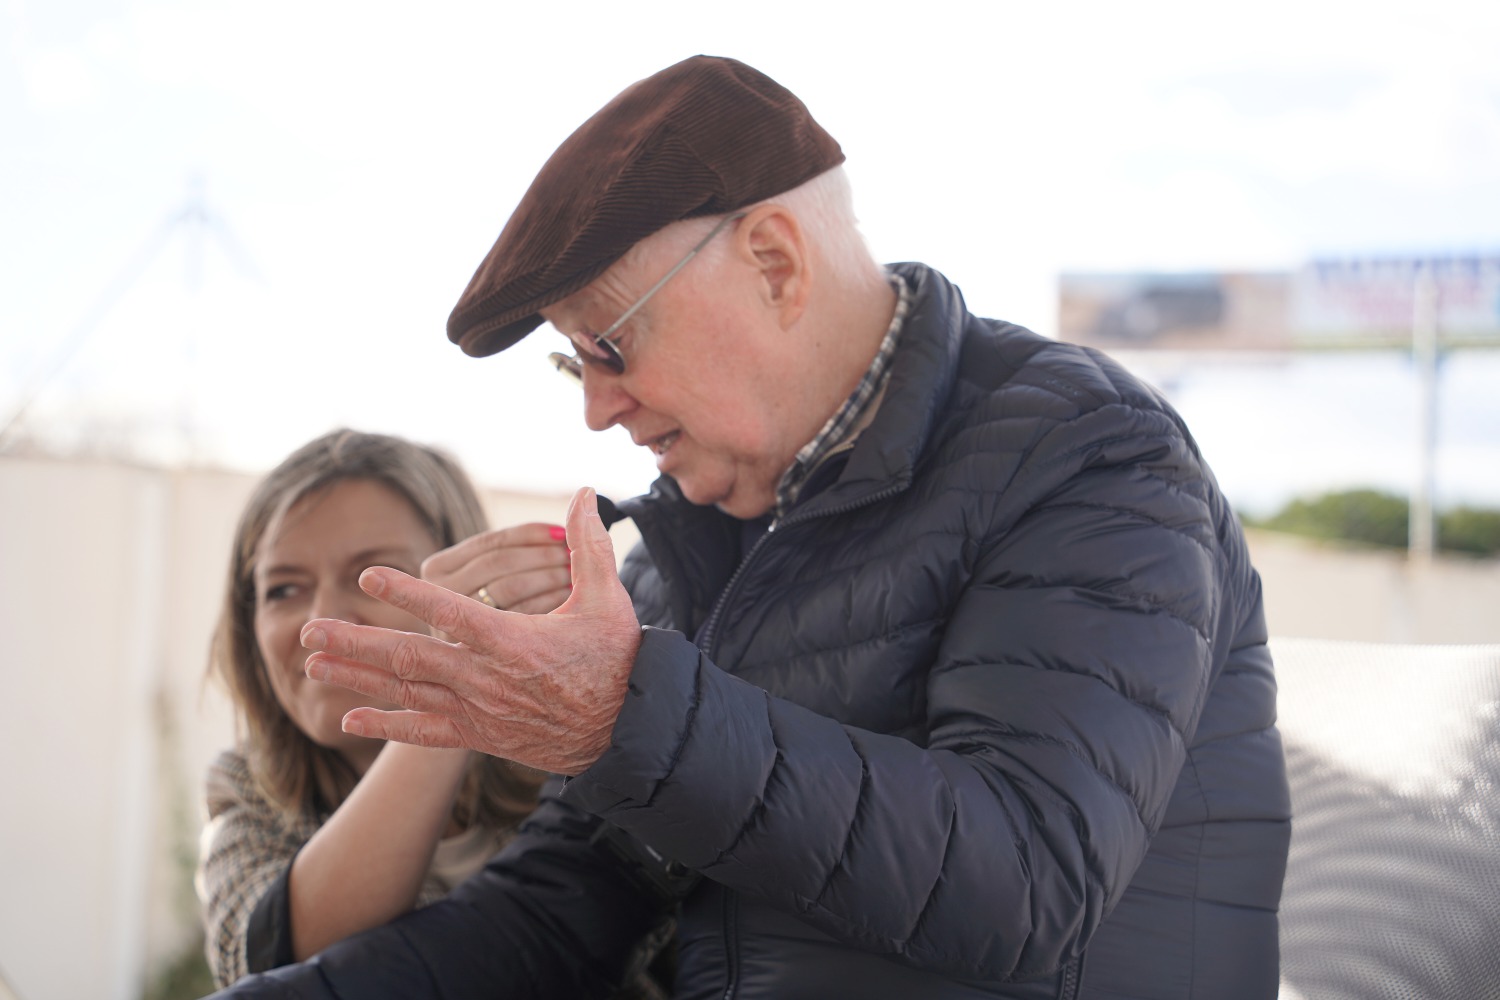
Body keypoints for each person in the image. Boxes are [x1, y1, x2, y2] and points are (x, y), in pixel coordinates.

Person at [207, 56, 1290, 1000]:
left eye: (611, 346)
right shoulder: (687, 557)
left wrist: (623, 717)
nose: (595, 407)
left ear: (774, 262)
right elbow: (554, 913)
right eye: (570, 361)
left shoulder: (1091, 457)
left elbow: (1027, 881)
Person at [195, 429, 564, 988]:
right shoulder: (244, 789)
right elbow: (273, 966)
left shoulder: (568, 760)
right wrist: (452, 700)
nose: (321, 621)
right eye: (283, 590)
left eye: (375, 580)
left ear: (466, 589)